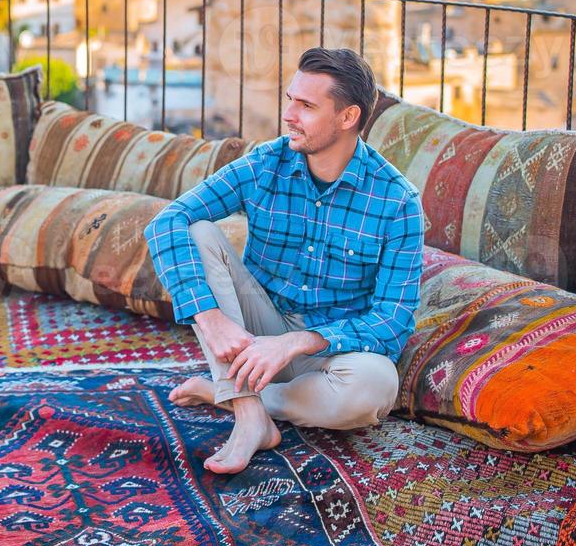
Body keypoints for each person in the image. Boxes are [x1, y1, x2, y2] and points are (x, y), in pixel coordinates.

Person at [143, 48, 424, 475]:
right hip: (255, 330)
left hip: (326, 350)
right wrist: (213, 319)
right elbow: (168, 221)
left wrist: (298, 341)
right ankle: (248, 413)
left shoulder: (397, 201)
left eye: (306, 106)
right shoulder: (266, 163)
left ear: (348, 117)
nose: (289, 114)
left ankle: (232, 392)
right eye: (290, 99)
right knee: (197, 232)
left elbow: (393, 321)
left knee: (375, 387)